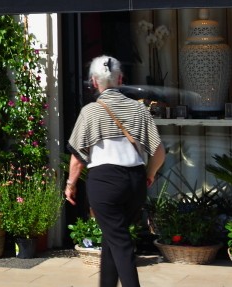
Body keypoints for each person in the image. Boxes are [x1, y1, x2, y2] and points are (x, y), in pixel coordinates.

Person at [66, 55, 166, 287]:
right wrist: (149, 174)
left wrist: (70, 185)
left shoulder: (90, 111)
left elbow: (78, 158)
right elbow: (159, 151)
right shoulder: (139, 110)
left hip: (105, 183)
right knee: (114, 239)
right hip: (135, 182)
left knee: (119, 243)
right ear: (120, 79)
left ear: (93, 81)